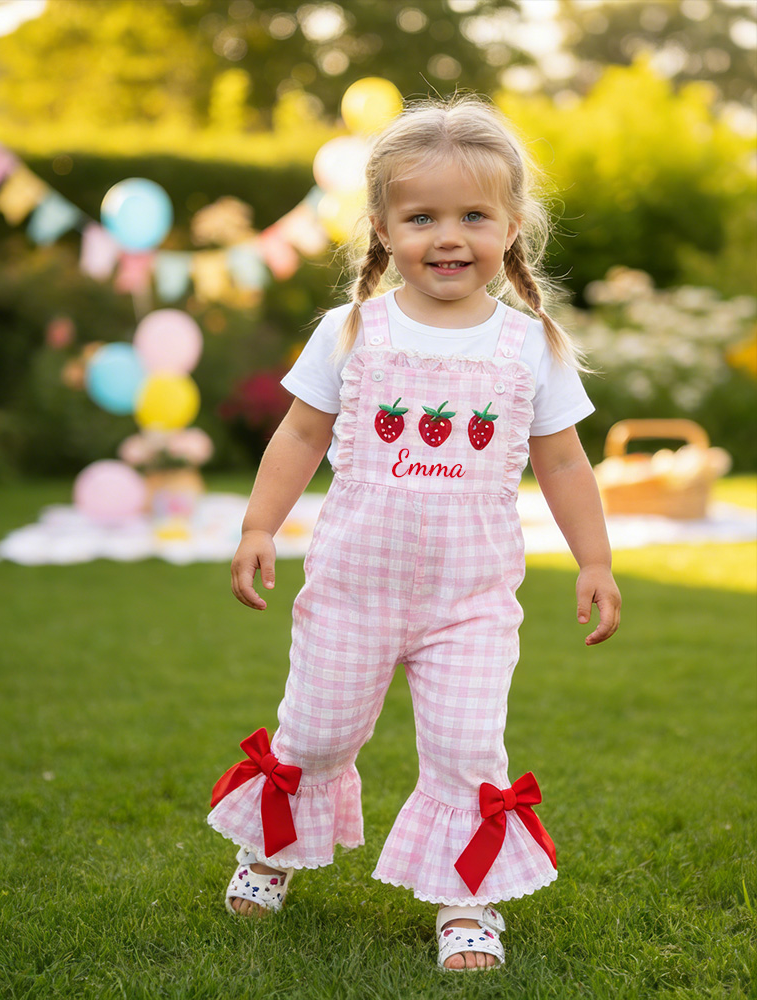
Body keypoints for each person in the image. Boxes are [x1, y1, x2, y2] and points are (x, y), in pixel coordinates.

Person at [207, 95, 621, 972]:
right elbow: (299, 435)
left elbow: (566, 464)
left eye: (474, 215)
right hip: (353, 591)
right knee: (316, 734)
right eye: (421, 215)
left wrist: (596, 558)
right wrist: (257, 524)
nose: (448, 235)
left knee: (470, 749)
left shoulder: (529, 345)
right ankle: (272, 850)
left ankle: (466, 903)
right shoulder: (352, 330)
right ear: (384, 228)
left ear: (512, 228)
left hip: (468, 603)